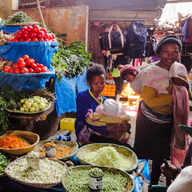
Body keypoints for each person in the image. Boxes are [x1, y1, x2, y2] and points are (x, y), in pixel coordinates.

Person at [133, 35, 191, 185]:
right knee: (142, 152)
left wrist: (182, 90)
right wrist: (175, 96)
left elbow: (187, 93)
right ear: (158, 53)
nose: (170, 56)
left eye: (175, 52)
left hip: (168, 120)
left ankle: (153, 182)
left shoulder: (180, 69)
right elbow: (150, 101)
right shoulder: (150, 72)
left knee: (161, 154)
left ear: (179, 53)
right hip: (148, 120)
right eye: (166, 52)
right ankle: (138, 180)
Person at [74, 63, 130, 144]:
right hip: (86, 133)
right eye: (96, 83)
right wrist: (107, 129)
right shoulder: (82, 97)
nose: (100, 86)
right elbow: (87, 121)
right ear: (89, 83)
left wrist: (125, 126)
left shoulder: (105, 100)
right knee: (117, 144)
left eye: (102, 83)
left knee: (122, 138)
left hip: (103, 131)